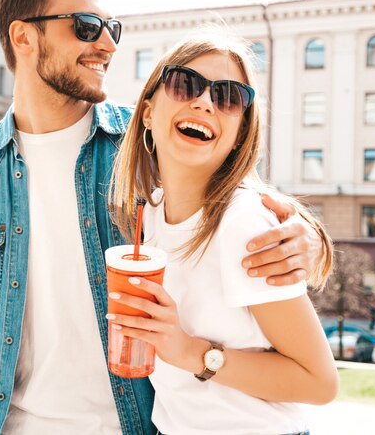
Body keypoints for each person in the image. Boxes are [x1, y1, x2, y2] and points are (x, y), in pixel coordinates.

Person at [0, 0, 329, 433]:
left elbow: (239, 195)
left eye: (112, 26)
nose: (108, 43)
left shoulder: (150, 143)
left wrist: (309, 236)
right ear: (24, 37)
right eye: (87, 26)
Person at [108, 29, 338, 434]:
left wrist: (189, 351)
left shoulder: (243, 223)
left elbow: (319, 382)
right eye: (184, 84)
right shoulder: (151, 213)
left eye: (228, 97)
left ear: (238, 135)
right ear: (147, 112)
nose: (204, 102)